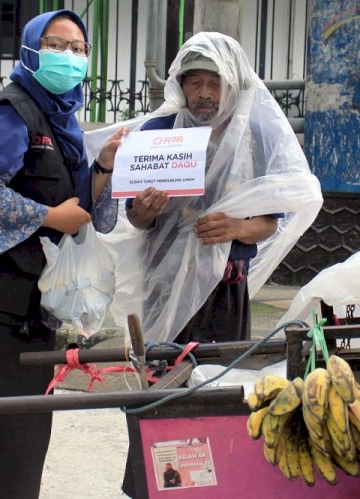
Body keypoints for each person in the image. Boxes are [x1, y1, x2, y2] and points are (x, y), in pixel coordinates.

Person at [0, 10, 123, 499]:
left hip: (27, 305)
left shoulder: (62, 121)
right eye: (59, 45)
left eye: (80, 49)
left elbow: (78, 201)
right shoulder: (8, 114)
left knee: (23, 433)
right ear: (33, 50)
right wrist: (48, 218)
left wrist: (101, 167)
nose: (72, 57)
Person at [85, 32, 322, 346]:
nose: (205, 93)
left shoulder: (252, 140)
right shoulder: (159, 132)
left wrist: (236, 227)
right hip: (164, 279)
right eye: (195, 83)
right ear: (181, 85)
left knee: (216, 377)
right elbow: (136, 218)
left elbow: (268, 223)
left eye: (216, 82)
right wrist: (143, 211)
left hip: (226, 284)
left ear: (234, 85)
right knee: (163, 370)